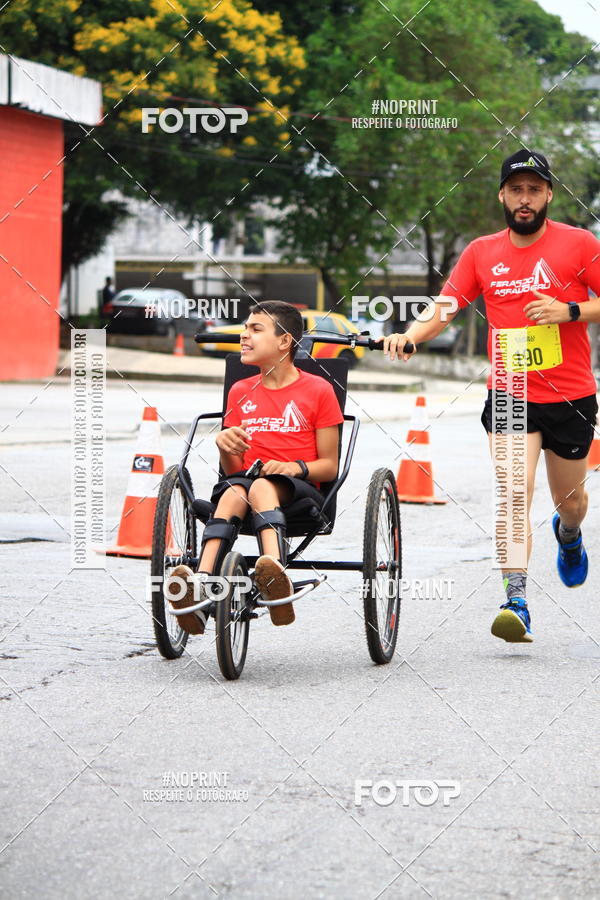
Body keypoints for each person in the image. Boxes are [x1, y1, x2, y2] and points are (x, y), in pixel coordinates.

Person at [383, 148, 600, 643]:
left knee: (570, 501)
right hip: (510, 391)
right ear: (502, 195)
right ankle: (516, 600)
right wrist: (411, 335)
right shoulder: (482, 252)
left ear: (549, 194)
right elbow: (445, 305)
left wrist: (569, 311)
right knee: (512, 494)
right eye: (516, 190)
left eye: (535, 190)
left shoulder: (580, 243)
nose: (525, 200)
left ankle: (568, 536)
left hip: (570, 395)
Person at [167, 300, 344, 634]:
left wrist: (295, 468)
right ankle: (200, 585)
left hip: (300, 491)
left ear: (284, 341)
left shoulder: (319, 390)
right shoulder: (240, 391)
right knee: (235, 491)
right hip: (244, 484)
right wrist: (224, 446)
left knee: (262, 486)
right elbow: (234, 469)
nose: (243, 336)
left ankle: (275, 577)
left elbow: (330, 467)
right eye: (245, 328)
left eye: (255, 329)